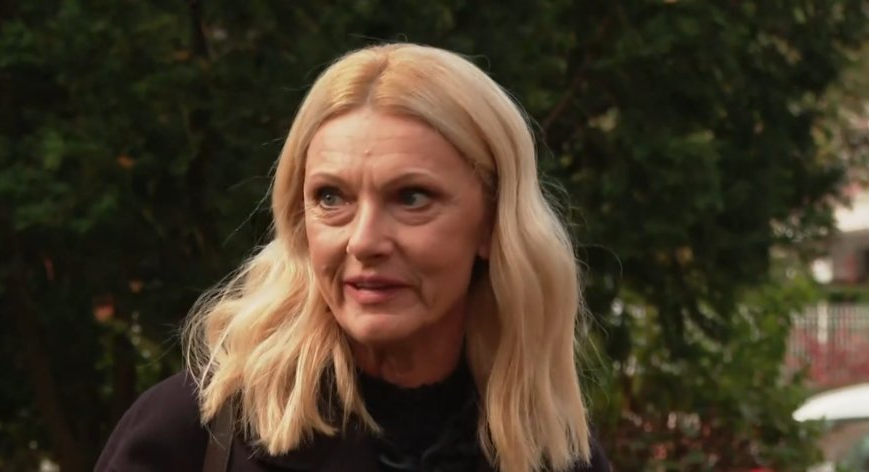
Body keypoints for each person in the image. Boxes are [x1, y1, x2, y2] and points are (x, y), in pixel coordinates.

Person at [96, 43, 610, 472]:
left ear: (493, 223)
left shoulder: (554, 454)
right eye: (331, 198)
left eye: (411, 197)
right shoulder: (192, 435)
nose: (363, 241)